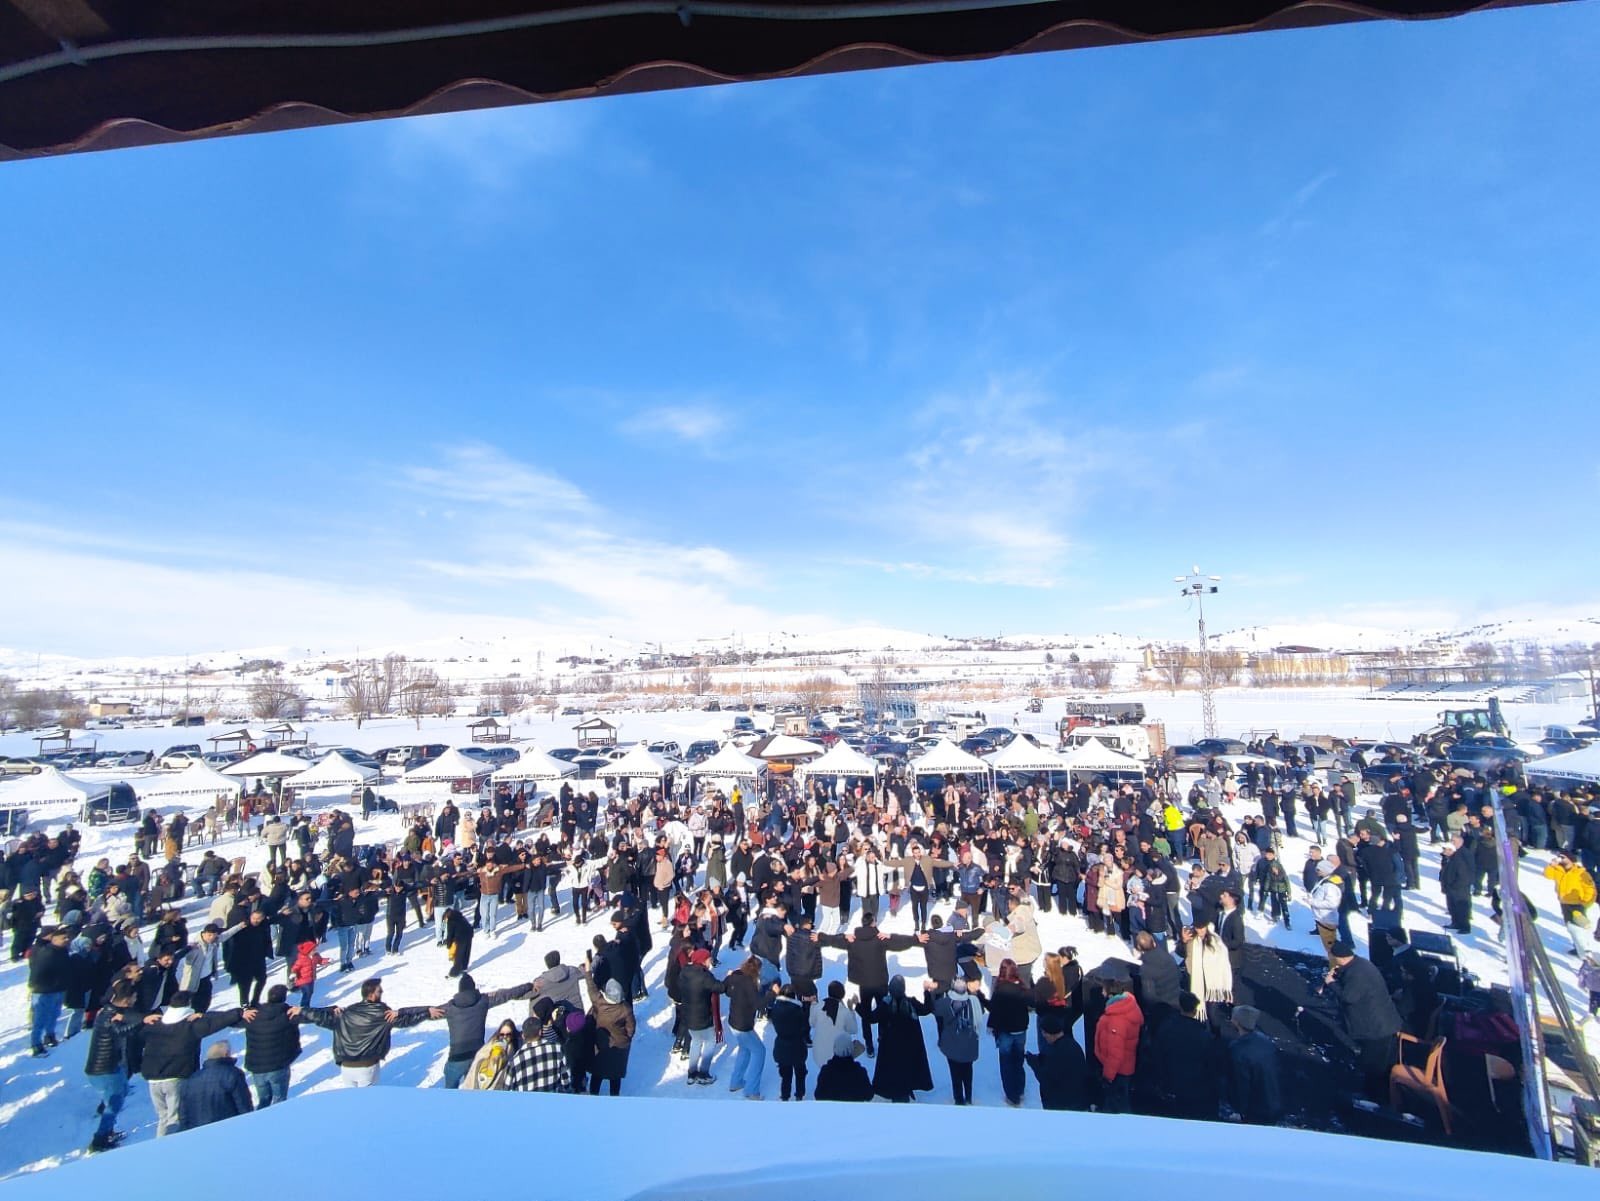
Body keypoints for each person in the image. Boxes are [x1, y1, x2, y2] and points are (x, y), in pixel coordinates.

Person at [138, 990, 245, 1136]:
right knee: (175, 1119)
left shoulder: (154, 1024)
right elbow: (216, 1022)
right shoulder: (190, 1026)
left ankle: (160, 1145)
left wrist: (140, 1018)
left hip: (153, 1080)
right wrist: (238, 1013)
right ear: (188, 1005)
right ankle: (171, 1148)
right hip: (176, 1078)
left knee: (163, 1117)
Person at [301, 977, 439, 1087]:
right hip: (366, 1067)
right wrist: (426, 1012)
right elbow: (406, 1021)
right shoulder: (382, 1013)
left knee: (351, 1100)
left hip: (346, 1066)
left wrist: (302, 1011)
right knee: (364, 1103)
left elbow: (320, 1017)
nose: (382, 993)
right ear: (372, 995)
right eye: (379, 991)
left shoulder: (347, 1012)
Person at [1324, 942, 1402, 1100]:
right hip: (1383, 1022)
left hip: (1376, 1027)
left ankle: (1374, 1098)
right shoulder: (1360, 964)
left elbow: (1349, 997)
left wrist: (1331, 984)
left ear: (1339, 957)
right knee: (1380, 1063)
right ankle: (1380, 1094)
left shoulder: (1357, 974)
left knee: (1374, 1066)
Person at [82, 979, 151, 1152]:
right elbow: (121, 1031)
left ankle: (108, 1130)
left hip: (112, 1066)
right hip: (103, 1070)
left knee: (122, 1091)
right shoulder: (110, 1017)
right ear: (127, 999)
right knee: (114, 1104)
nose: (136, 999)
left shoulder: (110, 1009)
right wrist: (143, 1022)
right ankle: (100, 1139)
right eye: (134, 997)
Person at [435, 972, 535, 1088]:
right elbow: (507, 994)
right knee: (473, 1088)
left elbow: (431, 1013)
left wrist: (424, 1012)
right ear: (473, 988)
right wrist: (528, 986)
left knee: (449, 1091)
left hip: (456, 1057)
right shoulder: (483, 1000)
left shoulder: (450, 1007)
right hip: (477, 1056)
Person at [869, 974, 934, 1102]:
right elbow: (927, 1009)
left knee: (893, 1072)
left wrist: (859, 1006)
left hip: (890, 1048)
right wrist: (927, 992)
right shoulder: (911, 1003)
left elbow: (872, 1018)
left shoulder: (885, 1005)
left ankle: (896, 1095)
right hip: (909, 1047)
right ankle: (905, 1092)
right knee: (907, 1070)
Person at [239, 984, 302, 1108]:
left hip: (257, 1066)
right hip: (277, 1066)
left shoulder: (254, 1015)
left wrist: (238, 1013)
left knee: (263, 1099)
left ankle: (261, 1121)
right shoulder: (287, 1015)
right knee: (279, 1100)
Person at [926, 975, 985, 1105]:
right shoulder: (974, 1002)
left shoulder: (945, 1003)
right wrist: (976, 992)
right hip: (969, 1045)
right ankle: (968, 1096)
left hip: (951, 1045)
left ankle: (959, 1099)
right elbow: (982, 1010)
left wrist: (929, 992)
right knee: (968, 1071)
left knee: (955, 1074)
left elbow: (933, 1009)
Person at [178, 1040, 254, 1132]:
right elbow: (244, 1105)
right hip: (228, 1129)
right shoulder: (232, 1074)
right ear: (226, 1054)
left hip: (197, 1133)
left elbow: (183, 1114)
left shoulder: (191, 1079)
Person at [1093, 976, 1143, 1113]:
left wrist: (1108, 1076)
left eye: (1103, 991)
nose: (1101, 994)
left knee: (1116, 1108)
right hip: (1123, 1069)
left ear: (1110, 994)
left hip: (1116, 1072)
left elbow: (1116, 1052)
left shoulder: (1117, 1019)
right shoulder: (1127, 1009)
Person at [1227, 1004, 1282, 1124]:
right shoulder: (1266, 1042)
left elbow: (1241, 1084)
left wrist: (1240, 1112)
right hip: (1273, 1103)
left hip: (1255, 1111)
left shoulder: (1238, 1049)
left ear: (1237, 1022)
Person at [987, 958, 1032, 1107]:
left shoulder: (1000, 990)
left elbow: (994, 1011)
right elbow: (1031, 1003)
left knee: (1006, 1063)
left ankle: (1012, 1096)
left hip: (1005, 1031)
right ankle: (1020, 1090)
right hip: (1020, 1030)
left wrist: (991, 1026)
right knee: (1018, 1061)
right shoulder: (1022, 988)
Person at [504, 1003, 572, 1092]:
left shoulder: (515, 1060)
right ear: (540, 1032)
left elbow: (507, 1090)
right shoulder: (557, 1050)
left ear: (523, 1036)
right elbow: (566, 1081)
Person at [1026, 1015, 1088, 1111]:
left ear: (1050, 1033)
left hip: (1061, 1105)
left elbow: (1045, 1078)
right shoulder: (1073, 1045)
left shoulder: (1054, 1052)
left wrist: (1033, 1063)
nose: (1043, 1036)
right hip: (1078, 1101)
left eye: (1044, 1033)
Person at [27, 925, 72, 1057]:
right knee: (40, 1019)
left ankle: (50, 1036)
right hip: (43, 991)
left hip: (58, 989)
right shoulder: (47, 953)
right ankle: (36, 1044)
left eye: (67, 937)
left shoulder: (63, 951)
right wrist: (34, 987)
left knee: (54, 1014)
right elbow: (36, 972)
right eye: (63, 938)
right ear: (54, 939)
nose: (67, 939)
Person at [588, 977, 636, 1096]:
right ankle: (614, 1098)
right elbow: (631, 1028)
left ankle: (593, 1096)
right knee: (615, 1075)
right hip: (619, 1045)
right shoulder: (625, 1008)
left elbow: (591, 988)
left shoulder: (599, 1003)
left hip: (601, 1043)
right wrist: (626, 1038)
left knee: (597, 1073)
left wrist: (588, 973)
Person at [1544, 853, 1597, 957]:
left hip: (1577, 904)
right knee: (1570, 926)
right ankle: (1577, 947)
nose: (1561, 859)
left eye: (1563, 857)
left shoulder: (1581, 873)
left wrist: (1585, 902)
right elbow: (1547, 874)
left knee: (1578, 927)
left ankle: (1584, 949)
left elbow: (1590, 889)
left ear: (1570, 859)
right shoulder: (1558, 870)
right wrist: (1551, 865)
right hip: (1564, 903)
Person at [768, 982, 811, 1100]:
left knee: (785, 1075)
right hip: (797, 1046)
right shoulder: (798, 1011)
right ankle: (799, 1095)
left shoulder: (776, 1009)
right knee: (800, 1072)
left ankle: (785, 1096)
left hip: (781, 1045)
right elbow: (805, 1027)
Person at [814, 1031, 874, 1102]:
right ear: (851, 1049)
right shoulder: (860, 1073)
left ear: (834, 1048)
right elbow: (869, 1095)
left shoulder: (826, 1072)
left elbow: (818, 1095)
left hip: (830, 1112)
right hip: (855, 1112)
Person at [463, 1019, 521, 1091]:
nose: (505, 1037)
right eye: (502, 1034)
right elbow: (473, 1071)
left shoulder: (515, 1048)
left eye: (508, 1034)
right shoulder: (488, 1048)